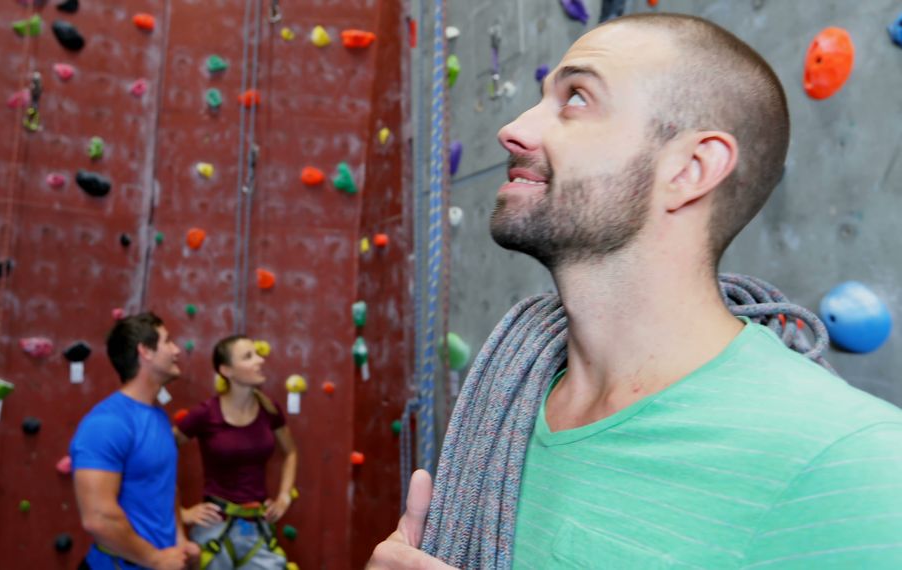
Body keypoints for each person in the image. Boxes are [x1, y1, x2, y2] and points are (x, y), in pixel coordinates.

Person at [370, 12, 902, 569]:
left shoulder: (851, 462)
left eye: (576, 98)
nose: (515, 129)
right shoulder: (508, 403)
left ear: (691, 168)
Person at [70, 312, 200, 570]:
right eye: (168, 341)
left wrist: (180, 542)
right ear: (146, 352)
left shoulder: (159, 417)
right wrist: (155, 558)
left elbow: (166, 488)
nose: (176, 350)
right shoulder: (107, 423)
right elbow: (98, 517)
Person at [175, 335, 298, 570]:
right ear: (226, 370)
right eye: (248, 356)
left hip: (256, 526)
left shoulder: (269, 410)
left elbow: (291, 452)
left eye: (258, 354)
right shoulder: (205, 414)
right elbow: (158, 451)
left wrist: (284, 496)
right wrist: (182, 513)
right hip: (214, 527)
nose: (260, 361)